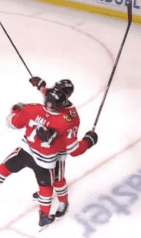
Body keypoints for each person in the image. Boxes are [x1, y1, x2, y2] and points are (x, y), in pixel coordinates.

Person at [0, 88, 98, 228]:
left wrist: (16, 110)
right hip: (46, 161)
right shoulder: (66, 121)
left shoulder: (31, 109)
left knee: (5, 168)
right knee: (47, 186)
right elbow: (74, 150)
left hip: (26, 152)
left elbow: (12, 123)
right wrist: (89, 141)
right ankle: (44, 217)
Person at [29, 76, 93, 220]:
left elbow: (74, 149)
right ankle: (46, 191)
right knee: (42, 172)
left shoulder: (71, 116)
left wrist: (88, 141)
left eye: (57, 91)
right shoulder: (56, 97)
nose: (53, 93)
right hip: (44, 148)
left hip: (58, 151)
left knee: (58, 178)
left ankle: (63, 202)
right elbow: (46, 92)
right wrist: (40, 85)